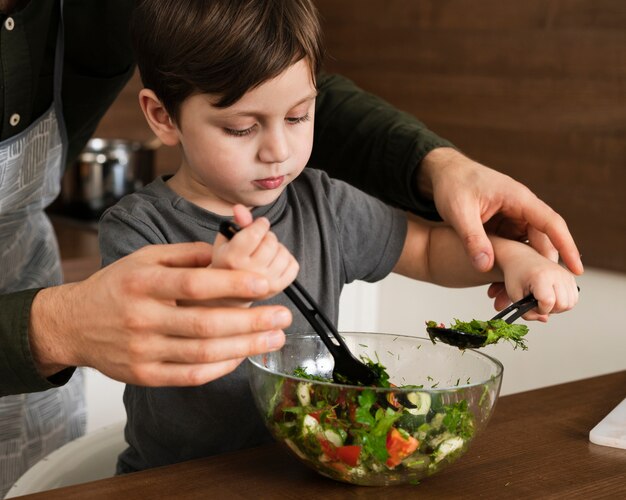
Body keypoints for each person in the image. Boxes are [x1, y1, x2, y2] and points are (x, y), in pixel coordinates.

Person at [0, 0, 582, 494]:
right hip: (179, 479)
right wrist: (225, 290)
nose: (278, 150)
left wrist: (513, 258)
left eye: (299, 116)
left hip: (301, 470)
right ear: (163, 117)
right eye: (241, 128)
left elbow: (428, 250)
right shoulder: (137, 224)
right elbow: (161, 344)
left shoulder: (322, 202)